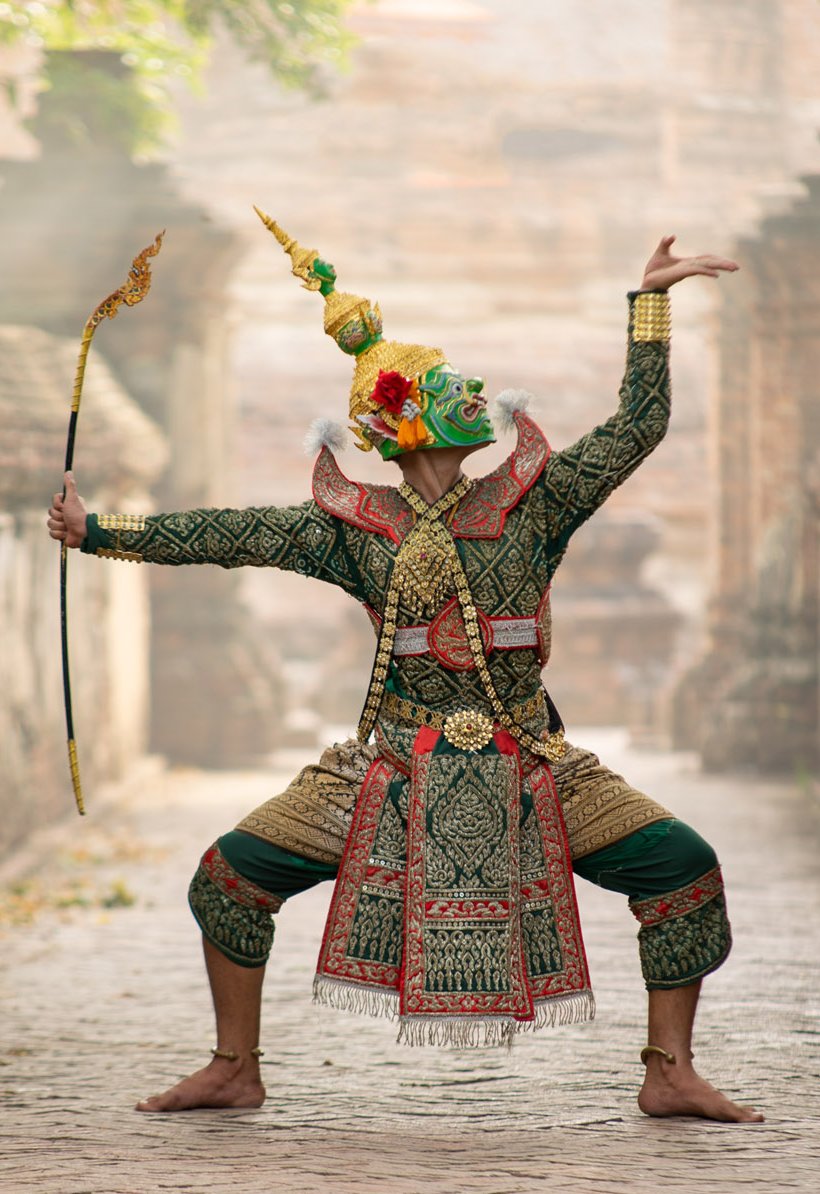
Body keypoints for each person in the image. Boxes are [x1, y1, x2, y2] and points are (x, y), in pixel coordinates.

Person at [48, 211, 758, 1123]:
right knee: (226, 879)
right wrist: (98, 532)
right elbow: (229, 533)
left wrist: (649, 310)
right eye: (451, 386)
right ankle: (234, 1065)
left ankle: (670, 1071)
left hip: (529, 761)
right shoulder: (351, 528)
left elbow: (639, 427)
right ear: (409, 421)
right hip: (387, 768)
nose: (475, 392)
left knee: (684, 872)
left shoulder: (533, 504)